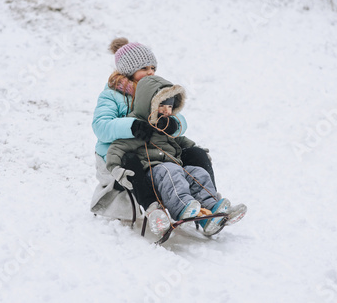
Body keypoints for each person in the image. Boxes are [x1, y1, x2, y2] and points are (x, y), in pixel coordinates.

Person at [105, 75, 247, 237]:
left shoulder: (166, 125)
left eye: (171, 107)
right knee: (171, 171)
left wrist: (197, 151)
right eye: (162, 106)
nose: (167, 111)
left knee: (196, 173)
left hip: (176, 170)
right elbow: (116, 149)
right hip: (153, 173)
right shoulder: (136, 127)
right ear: (149, 104)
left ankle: (211, 210)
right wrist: (116, 170)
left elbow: (182, 141)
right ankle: (181, 208)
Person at [91, 38, 190, 221]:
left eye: (153, 68)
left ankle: (208, 204)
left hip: (152, 151)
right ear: (129, 70)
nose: (150, 72)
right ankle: (153, 209)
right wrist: (132, 126)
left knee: (192, 152)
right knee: (131, 159)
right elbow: (101, 127)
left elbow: (175, 112)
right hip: (119, 153)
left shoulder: (156, 91)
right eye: (144, 69)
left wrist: (174, 124)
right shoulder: (112, 95)